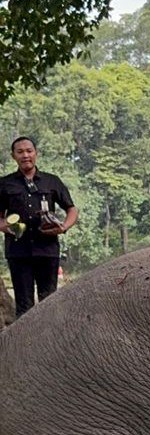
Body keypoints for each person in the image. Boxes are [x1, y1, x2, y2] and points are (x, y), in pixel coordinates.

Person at [0, 136, 78, 319]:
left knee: (49, 301)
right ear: (13, 156)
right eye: (20, 152)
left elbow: (72, 209)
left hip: (47, 250)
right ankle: (23, 346)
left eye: (29, 151)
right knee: (24, 304)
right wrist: (5, 227)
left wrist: (63, 227)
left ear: (36, 153)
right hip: (18, 252)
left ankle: (50, 345)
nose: (25, 155)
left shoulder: (52, 182)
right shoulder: (4, 184)